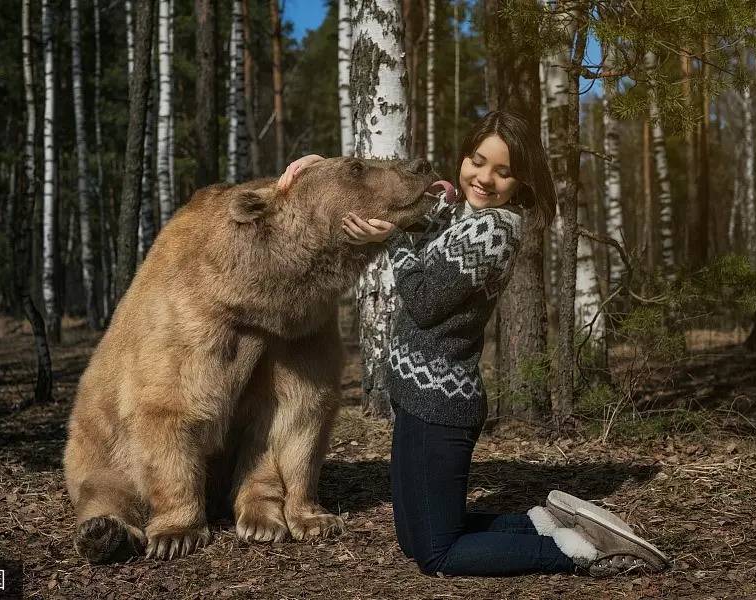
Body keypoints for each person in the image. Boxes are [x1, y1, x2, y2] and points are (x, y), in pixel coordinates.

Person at [277, 110, 670, 578]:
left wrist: (395, 240)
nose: (484, 178)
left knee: (437, 555)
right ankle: (547, 522)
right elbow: (408, 203)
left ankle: (578, 553)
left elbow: (424, 301)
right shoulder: (467, 214)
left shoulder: (495, 230)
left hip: (441, 404)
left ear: (521, 181)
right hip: (413, 394)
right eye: (477, 161)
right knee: (413, 537)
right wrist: (315, 168)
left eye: (503, 172)